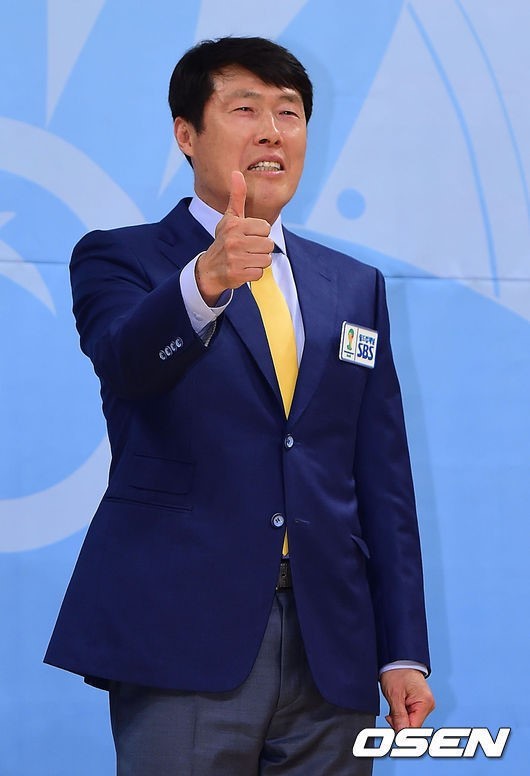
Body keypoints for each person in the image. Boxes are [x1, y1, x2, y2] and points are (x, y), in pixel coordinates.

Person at [45, 36, 434, 775]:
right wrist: (205, 282)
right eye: (245, 109)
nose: (271, 132)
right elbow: (126, 363)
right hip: (181, 634)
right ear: (186, 134)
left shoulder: (354, 287)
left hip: (333, 648)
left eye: (289, 113)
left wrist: (402, 649)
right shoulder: (123, 258)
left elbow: (382, 478)